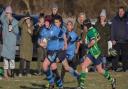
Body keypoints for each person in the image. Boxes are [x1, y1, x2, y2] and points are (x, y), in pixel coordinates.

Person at [78, 19, 116, 89]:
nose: (84, 27)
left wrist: (87, 46)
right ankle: (82, 86)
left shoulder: (89, 32)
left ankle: (112, 80)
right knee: (84, 66)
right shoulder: (94, 29)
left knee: (100, 70)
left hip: (95, 53)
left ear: (87, 26)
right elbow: (98, 37)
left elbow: (92, 42)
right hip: (93, 52)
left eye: (84, 26)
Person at [39, 15, 64, 89]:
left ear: (50, 23)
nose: (45, 24)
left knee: (44, 65)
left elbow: (62, 35)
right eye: (45, 22)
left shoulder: (55, 29)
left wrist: (61, 45)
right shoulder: (43, 30)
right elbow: (40, 39)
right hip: (49, 51)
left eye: (47, 22)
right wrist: (41, 43)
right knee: (54, 69)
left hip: (55, 51)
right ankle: (60, 86)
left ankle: (51, 83)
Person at [0, 6, 19, 79]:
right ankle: (5, 74)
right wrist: (4, 10)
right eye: (6, 13)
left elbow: (17, 32)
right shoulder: (4, 20)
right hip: (5, 43)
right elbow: (1, 17)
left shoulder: (15, 22)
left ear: (11, 13)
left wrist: (12, 28)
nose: (6, 15)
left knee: (11, 59)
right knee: (5, 59)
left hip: (12, 43)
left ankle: (12, 73)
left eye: (8, 13)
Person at [111, 6, 128, 72]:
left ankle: (125, 69)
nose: (120, 12)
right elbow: (112, 30)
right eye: (119, 11)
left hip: (125, 41)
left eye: (121, 11)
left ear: (124, 12)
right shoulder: (115, 19)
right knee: (115, 55)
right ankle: (114, 68)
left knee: (125, 56)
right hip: (116, 41)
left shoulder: (127, 19)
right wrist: (112, 39)